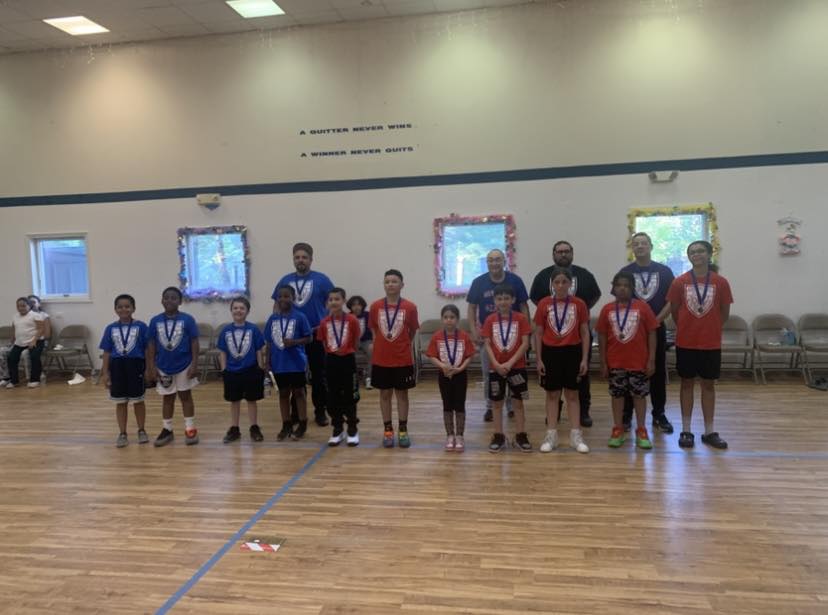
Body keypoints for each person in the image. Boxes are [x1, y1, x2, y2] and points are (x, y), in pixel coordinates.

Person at [667, 241, 733, 450]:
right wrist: (689, 328)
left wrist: (709, 328)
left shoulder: (721, 282)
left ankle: (709, 431)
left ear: (709, 254)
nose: (697, 255)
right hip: (686, 342)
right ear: (689, 257)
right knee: (686, 384)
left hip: (710, 343)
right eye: (692, 252)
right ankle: (686, 430)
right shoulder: (679, 282)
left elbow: (724, 314)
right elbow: (675, 312)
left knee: (708, 385)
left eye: (701, 251)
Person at [530, 241, 601, 427]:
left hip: (577, 337)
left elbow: (595, 295)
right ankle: (556, 411)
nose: (563, 254)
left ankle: (583, 411)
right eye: (559, 251)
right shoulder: (543, 276)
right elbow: (535, 298)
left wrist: (578, 313)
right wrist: (554, 313)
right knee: (552, 383)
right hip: (551, 338)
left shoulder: (584, 275)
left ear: (572, 253)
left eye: (566, 251)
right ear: (553, 254)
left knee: (580, 376)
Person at [618, 232, 675, 433]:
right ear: (632, 248)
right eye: (636, 244)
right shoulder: (625, 272)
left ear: (651, 246)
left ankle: (659, 413)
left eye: (644, 243)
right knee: (629, 371)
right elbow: (620, 300)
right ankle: (627, 414)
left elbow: (672, 300)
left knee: (657, 371)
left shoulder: (664, 271)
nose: (640, 246)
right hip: (631, 330)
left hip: (656, 328)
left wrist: (655, 321)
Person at [273, 242, 334, 427]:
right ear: (293, 259)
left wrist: (326, 322)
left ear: (311, 259)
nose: (301, 260)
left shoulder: (322, 280)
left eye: (304, 257)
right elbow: (276, 306)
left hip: (315, 334)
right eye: (297, 257)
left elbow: (332, 302)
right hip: (292, 338)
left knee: (318, 375)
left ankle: (320, 411)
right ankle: (296, 413)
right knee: (295, 376)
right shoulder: (285, 280)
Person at [466, 249, 530, 422]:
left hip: (513, 336)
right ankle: (490, 406)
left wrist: (526, 331)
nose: (494, 263)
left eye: (498, 259)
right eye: (491, 260)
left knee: (513, 371)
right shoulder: (478, 282)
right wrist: (473, 330)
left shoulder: (515, 281)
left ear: (504, 261)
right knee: (489, 373)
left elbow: (524, 306)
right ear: (487, 263)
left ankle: (511, 406)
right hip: (488, 336)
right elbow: (471, 308)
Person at [596, 273, 658, 450]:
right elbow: (602, 336)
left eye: (627, 285)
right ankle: (618, 428)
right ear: (613, 288)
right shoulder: (607, 309)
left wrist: (651, 359)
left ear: (632, 288)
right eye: (619, 285)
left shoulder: (643, 307)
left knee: (639, 396)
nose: (622, 288)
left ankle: (641, 429)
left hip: (639, 362)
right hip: (615, 362)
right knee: (617, 396)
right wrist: (603, 361)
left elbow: (652, 333)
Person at [533, 267, 591, 454]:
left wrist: (584, 358)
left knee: (573, 395)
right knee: (552, 395)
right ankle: (551, 435)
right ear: (552, 284)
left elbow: (584, 332)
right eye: (557, 282)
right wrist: (539, 359)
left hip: (572, 352)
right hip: (550, 353)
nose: (560, 285)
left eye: (564, 282)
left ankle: (576, 436)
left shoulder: (579, 304)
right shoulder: (543, 304)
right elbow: (538, 333)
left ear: (570, 283)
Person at [368, 269, 420, 448]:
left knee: (402, 395)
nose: (390, 284)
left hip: (402, 359)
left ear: (402, 285)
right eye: (387, 281)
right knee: (384, 394)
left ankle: (403, 430)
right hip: (381, 359)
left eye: (394, 281)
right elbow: (374, 330)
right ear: (384, 285)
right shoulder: (375, 307)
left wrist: (403, 345)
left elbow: (412, 332)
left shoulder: (410, 307)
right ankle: (388, 430)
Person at [146, 287, 200, 447]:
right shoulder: (155, 321)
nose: (169, 300)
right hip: (163, 366)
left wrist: (195, 364)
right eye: (166, 297)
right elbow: (151, 345)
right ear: (161, 300)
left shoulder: (188, 319)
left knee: (185, 397)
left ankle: (190, 428)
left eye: (173, 298)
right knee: (167, 398)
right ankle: (167, 429)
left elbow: (194, 342)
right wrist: (151, 366)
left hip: (185, 365)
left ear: (180, 301)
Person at [482, 284, 533, 453]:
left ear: (513, 300)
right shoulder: (490, 320)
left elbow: (525, 344)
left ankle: (520, 435)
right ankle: (498, 435)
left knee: (518, 402)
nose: (503, 301)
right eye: (499, 298)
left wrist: (510, 363)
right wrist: (496, 364)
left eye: (506, 298)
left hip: (517, 367)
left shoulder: (521, 319)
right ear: (494, 301)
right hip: (495, 368)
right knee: (497, 403)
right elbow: (487, 345)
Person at [99, 294, 150, 448]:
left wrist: (149, 368)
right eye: (120, 307)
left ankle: (141, 430)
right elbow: (107, 352)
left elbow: (147, 349)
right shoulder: (110, 328)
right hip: (117, 367)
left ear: (133, 308)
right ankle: (122, 433)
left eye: (127, 306)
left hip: (136, 366)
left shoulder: (141, 326)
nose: (124, 309)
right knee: (120, 402)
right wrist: (105, 373)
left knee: (138, 401)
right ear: (115, 309)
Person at [265, 285, 313, 441]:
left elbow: (309, 338)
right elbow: (269, 342)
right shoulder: (272, 319)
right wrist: (267, 363)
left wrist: (294, 342)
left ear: (293, 298)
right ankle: (286, 424)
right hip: (279, 363)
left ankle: (303, 423)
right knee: (283, 393)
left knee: (299, 393)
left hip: (296, 362)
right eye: (280, 296)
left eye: (286, 296)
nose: (283, 299)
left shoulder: (300, 317)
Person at [425, 304, 475, 452]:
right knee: (447, 405)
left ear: (457, 319)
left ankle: (459, 435)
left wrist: (461, 368)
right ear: (442, 319)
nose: (449, 320)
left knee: (459, 405)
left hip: (460, 375)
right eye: (446, 317)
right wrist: (442, 366)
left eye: (452, 317)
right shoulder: (437, 336)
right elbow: (431, 355)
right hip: (444, 375)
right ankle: (450, 435)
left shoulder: (464, 336)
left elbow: (470, 356)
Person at [217, 297, 267, 444]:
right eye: (235, 308)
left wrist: (260, 367)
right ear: (231, 310)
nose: (238, 311)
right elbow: (222, 352)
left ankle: (254, 427)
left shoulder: (253, 329)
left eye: (242, 308)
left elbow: (258, 350)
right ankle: (234, 428)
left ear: (247, 311)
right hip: (232, 371)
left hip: (251, 370)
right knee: (234, 400)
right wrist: (224, 370)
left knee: (252, 400)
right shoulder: (226, 330)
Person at [318, 288, 361, 447]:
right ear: (327, 302)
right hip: (331, 361)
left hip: (348, 360)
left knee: (350, 395)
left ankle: (352, 429)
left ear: (343, 301)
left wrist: (346, 352)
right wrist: (334, 353)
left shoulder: (352, 320)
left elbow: (356, 341)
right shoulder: (324, 323)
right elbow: (324, 343)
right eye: (331, 299)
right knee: (332, 396)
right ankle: (337, 428)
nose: (334, 302)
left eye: (337, 299)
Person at [4, 297, 46, 389]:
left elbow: (41, 329)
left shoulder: (35, 315)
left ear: (29, 306)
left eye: (23, 306)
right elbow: (14, 330)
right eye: (18, 306)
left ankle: (35, 380)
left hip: (36, 341)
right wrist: (12, 341)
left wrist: (34, 340)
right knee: (11, 358)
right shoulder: (15, 316)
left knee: (34, 356)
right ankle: (14, 381)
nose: (21, 308)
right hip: (20, 342)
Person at [346, 295, 373, 389]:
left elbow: (373, 329)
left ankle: (369, 379)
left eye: (359, 304)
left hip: (366, 341)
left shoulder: (368, 315)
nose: (356, 307)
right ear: (350, 306)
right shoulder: (347, 317)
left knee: (372, 352)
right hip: (352, 342)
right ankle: (353, 379)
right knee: (348, 356)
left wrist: (373, 342)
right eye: (354, 305)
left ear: (362, 306)